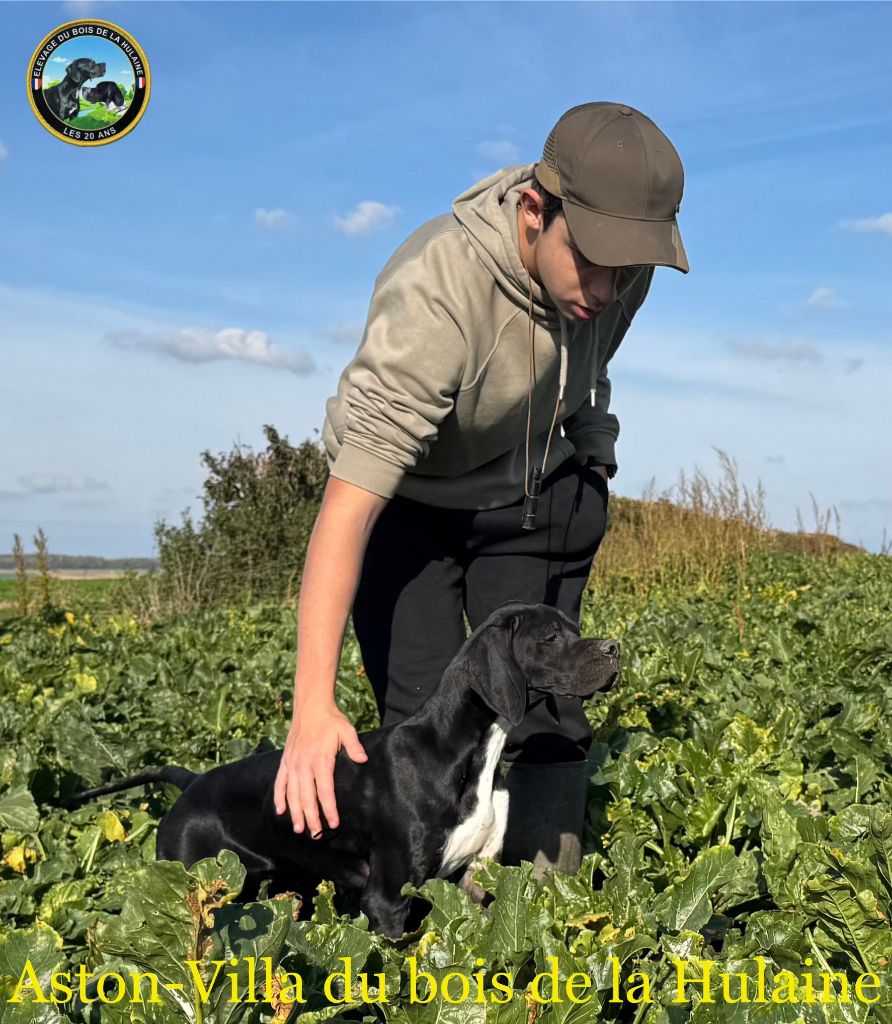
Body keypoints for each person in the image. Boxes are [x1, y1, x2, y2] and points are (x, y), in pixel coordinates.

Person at [274, 101, 688, 880]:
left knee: (549, 700)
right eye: (592, 260)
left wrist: (594, 459)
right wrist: (311, 707)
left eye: (629, 270)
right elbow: (348, 509)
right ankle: (440, 925)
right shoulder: (436, 294)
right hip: (409, 505)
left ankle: (546, 908)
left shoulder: (619, 276)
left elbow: (588, 364)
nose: (607, 289)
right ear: (535, 210)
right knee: (432, 719)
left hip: (531, 490)